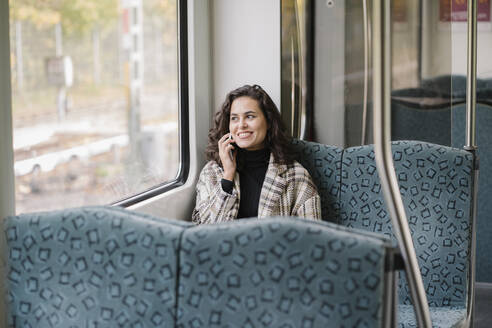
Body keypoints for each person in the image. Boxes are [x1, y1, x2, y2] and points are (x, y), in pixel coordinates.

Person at [192, 84, 321, 224]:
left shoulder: (296, 176)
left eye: (250, 116)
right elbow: (204, 233)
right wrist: (227, 176)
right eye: (234, 118)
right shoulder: (211, 172)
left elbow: (312, 237)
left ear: (269, 122)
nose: (241, 125)